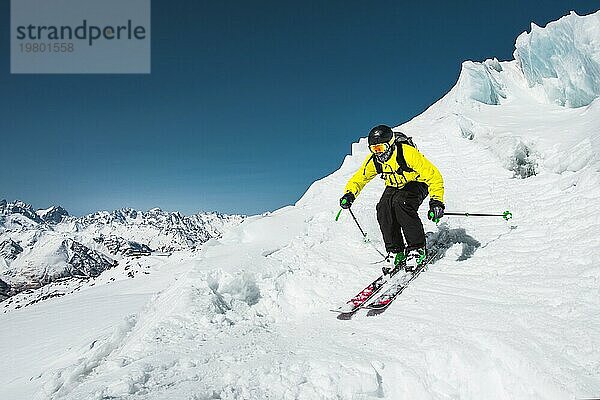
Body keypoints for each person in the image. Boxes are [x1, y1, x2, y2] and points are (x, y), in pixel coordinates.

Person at [340, 124, 445, 272]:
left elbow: (433, 176)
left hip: (417, 183)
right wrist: (350, 193)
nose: (378, 153)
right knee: (383, 207)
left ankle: (417, 249)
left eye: (380, 148)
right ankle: (396, 251)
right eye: (374, 149)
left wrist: (436, 201)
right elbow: (360, 178)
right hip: (395, 185)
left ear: (389, 145)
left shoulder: (407, 153)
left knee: (401, 204)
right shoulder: (375, 161)